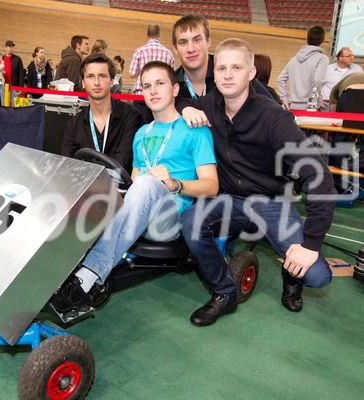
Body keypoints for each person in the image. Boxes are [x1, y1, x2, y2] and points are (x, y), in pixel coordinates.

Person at [181, 38, 336, 327]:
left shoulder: (274, 118)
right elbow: (182, 98)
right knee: (190, 221)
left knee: (317, 275)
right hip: (228, 199)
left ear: (251, 73)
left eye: (236, 68)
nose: (228, 74)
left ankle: (292, 277)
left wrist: (310, 244)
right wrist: (186, 107)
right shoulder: (209, 105)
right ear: (214, 73)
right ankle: (224, 294)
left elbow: (318, 176)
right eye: (222, 68)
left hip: (270, 203)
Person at [51, 60, 218, 313]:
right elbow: (132, 182)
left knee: (146, 185)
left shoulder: (196, 130)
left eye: (159, 84)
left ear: (175, 90)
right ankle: (54, 269)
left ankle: (88, 277)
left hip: (172, 218)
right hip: (139, 210)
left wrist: (175, 183)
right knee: (102, 192)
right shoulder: (141, 134)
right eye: (147, 86)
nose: (152, 91)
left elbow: (211, 186)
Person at [171, 14, 276, 128]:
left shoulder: (233, 73)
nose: (190, 49)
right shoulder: (170, 85)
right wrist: (182, 107)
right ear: (175, 48)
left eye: (197, 40)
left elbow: (275, 114)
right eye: (183, 42)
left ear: (208, 41)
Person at [61, 53, 143, 172]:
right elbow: (67, 164)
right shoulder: (74, 124)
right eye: (90, 76)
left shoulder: (131, 116)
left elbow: (124, 159)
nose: (96, 82)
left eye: (102, 76)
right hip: (85, 187)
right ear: (83, 82)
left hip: (120, 188)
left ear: (111, 81)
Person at [276, 25, 329, 110]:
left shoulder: (293, 59)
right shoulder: (322, 59)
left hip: (293, 105)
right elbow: (318, 81)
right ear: (323, 40)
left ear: (307, 39)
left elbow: (280, 79)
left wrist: (285, 100)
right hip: (311, 106)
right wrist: (314, 103)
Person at [129, 24, 175, 94]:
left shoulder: (139, 51)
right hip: (161, 93)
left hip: (142, 92)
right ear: (159, 36)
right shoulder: (169, 54)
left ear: (147, 35)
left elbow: (132, 74)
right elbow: (172, 77)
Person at [3, 40, 25, 104]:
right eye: (9, 46)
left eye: (12, 47)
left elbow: (21, 74)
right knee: (4, 104)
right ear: (6, 47)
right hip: (4, 87)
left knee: (14, 104)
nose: (11, 48)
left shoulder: (17, 59)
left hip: (14, 86)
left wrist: (21, 87)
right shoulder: (2, 58)